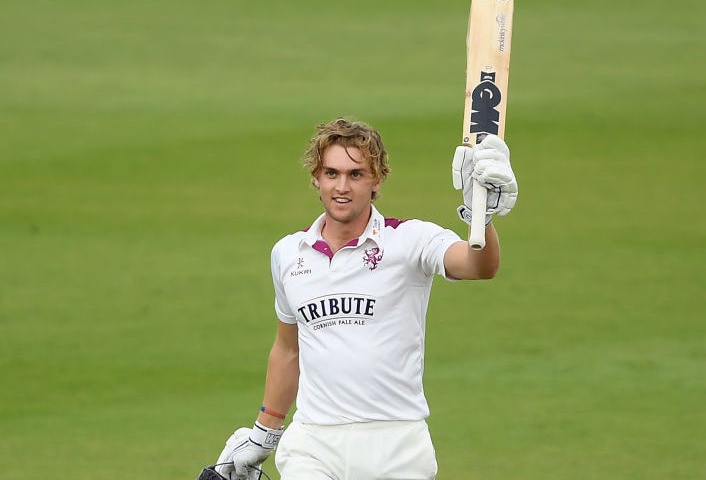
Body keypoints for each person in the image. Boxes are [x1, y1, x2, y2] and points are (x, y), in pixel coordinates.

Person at [212, 117, 518, 480]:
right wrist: (265, 432)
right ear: (316, 178)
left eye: (356, 174)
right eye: (332, 173)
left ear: (376, 180)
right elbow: (288, 349)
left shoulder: (409, 240)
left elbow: (478, 265)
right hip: (313, 443)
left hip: (397, 444)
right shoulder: (288, 254)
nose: (342, 186)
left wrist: (482, 218)